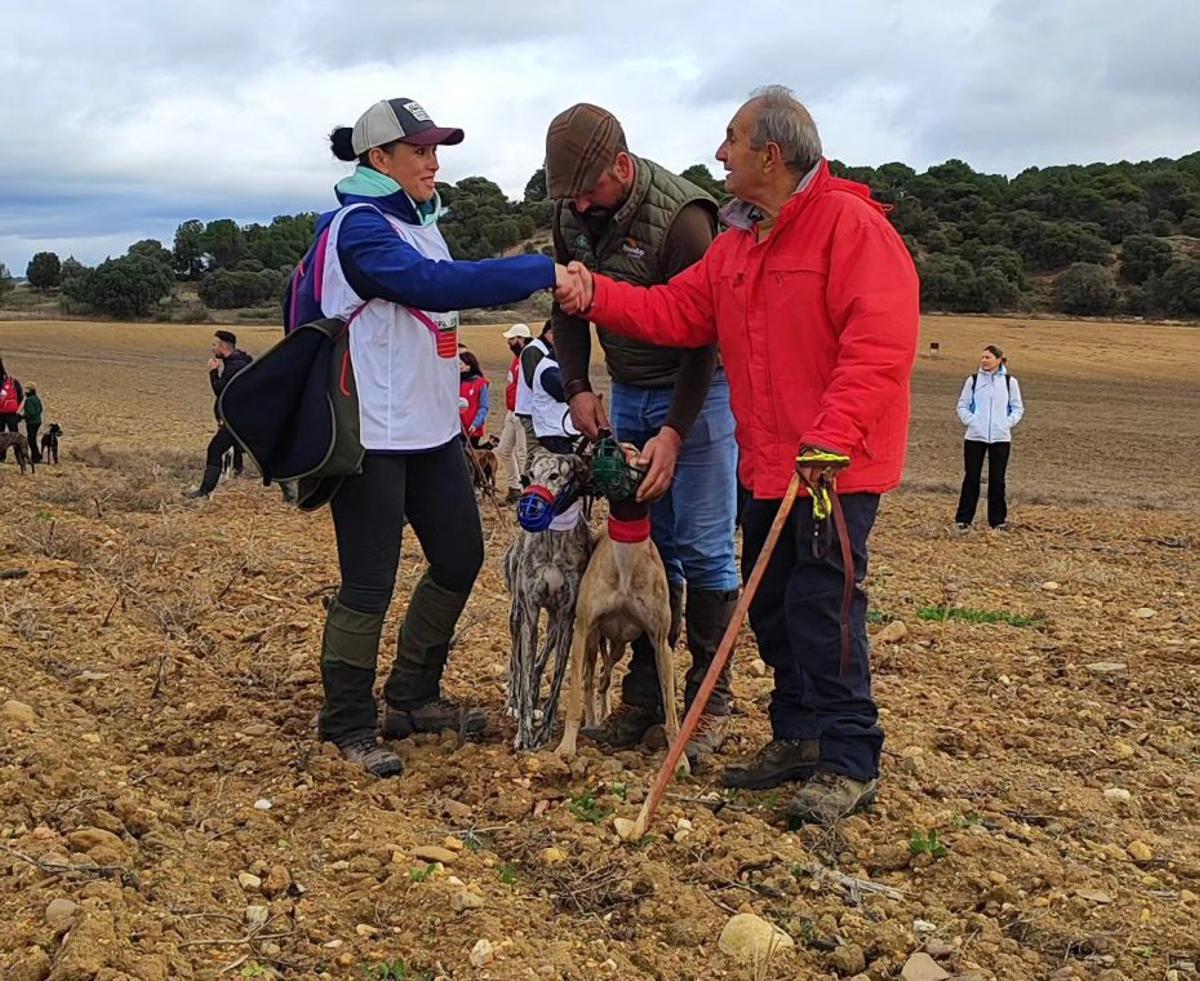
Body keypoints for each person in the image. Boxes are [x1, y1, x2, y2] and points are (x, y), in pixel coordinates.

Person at [556, 85, 920, 824]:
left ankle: (850, 758)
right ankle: (796, 735)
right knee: (779, 609)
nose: (719, 153)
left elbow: (879, 344)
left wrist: (833, 437)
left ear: (771, 154)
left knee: (826, 607)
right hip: (767, 465)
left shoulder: (850, 228)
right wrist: (595, 296)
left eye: (731, 139)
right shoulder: (739, 243)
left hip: (829, 470)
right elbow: (676, 311)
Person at [285, 97, 575, 777]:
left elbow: (434, 289)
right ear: (378, 159)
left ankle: (412, 695)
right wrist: (540, 271)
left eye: (437, 150)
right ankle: (348, 722)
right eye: (420, 151)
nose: (434, 163)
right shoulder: (358, 229)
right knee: (369, 581)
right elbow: (430, 284)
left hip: (431, 432)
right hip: (371, 436)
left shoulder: (421, 225)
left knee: (459, 555)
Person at [545, 103, 739, 763]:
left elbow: (706, 336)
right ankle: (646, 699)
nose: (579, 205)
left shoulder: (685, 221)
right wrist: (577, 387)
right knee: (648, 538)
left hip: (700, 390)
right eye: (568, 197)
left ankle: (710, 699)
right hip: (627, 387)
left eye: (589, 190)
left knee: (705, 546)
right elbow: (565, 308)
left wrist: (677, 433)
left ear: (623, 168)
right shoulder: (571, 213)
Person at [954, 345, 1024, 531]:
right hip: (975, 437)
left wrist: (1006, 422)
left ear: (999, 360)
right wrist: (972, 421)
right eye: (983, 357)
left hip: (1000, 438)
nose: (984, 360)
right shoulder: (973, 380)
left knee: (998, 479)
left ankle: (998, 520)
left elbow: (1017, 407)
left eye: (988, 357)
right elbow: (963, 405)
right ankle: (964, 519)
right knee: (971, 478)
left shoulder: (1010, 382)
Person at [183, 330, 252, 499]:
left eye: (214, 345)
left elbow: (220, 389)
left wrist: (213, 371)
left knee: (214, 450)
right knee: (263, 453)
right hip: (239, 418)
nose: (212, 349)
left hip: (236, 420)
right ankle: (290, 493)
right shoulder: (238, 362)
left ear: (223, 346)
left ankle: (204, 492)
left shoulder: (235, 366)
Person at [496, 323, 531, 502]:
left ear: (521, 339)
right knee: (503, 450)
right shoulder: (516, 360)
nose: (509, 342)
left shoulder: (528, 359)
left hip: (523, 412)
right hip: (512, 411)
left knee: (523, 452)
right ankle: (515, 487)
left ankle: (527, 491)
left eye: (512, 338)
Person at [457, 350, 490, 446]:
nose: (457, 366)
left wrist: (476, 423)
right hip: (456, 429)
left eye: (460, 364)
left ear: (468, 366)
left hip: (472, 429)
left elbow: (484, 406)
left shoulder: (480, 384)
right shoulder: (455, 382)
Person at [0, 357, 23, 463]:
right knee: (15, 436)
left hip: (0, 413)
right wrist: (14, 406)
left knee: (0, 435)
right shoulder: (12, 381)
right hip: (11, 413)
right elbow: (20, 395)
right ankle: (20, 457)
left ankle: (1, 458)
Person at [21, 383, 43, 463]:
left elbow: (30, 413)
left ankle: (35, 457)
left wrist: (22, 417)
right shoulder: (36, 398)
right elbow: (40, 409)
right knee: (33, 439)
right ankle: (37, 456)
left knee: (31, 440)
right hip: (37, 421)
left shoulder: (29, 400)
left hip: (32, 422)